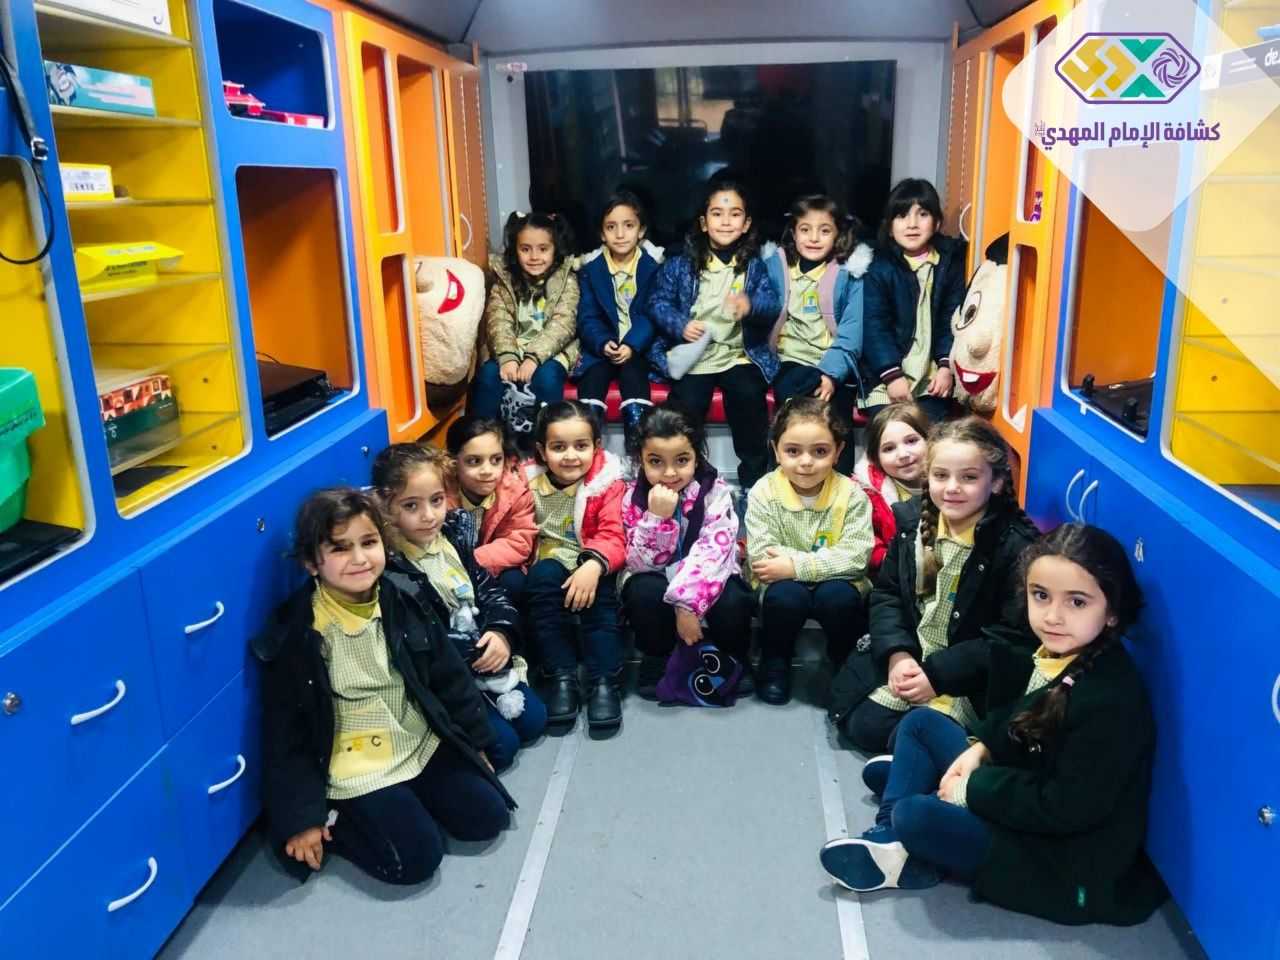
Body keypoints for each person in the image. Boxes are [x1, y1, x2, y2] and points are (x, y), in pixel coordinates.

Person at [820, 523, 1168, 928]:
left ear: (1112, 612)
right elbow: (1021, 714)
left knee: (914, 815)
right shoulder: (1058, 651)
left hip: (1061, 863)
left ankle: (902, 830)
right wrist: (980, 750)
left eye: (1077, 602)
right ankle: (895, 832)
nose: (1053, 616)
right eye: (1041, 595)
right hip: (1024, 792)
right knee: (921, 722)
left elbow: (1064, 809)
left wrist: (971, 789)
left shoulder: (1110, 699)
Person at [254, 487, 513, 885]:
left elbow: (449, 676)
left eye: (369, 542)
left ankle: (408, 803)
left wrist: (474, 741)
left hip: (413, 737)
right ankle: (339, 821)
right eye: (340, 548)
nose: (359, 558)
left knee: (487, 817)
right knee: (416, 860)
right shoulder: (299, 634)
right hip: (354, 762)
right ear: (310, 563)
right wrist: (301, 818)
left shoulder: (402, 596)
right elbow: (286, 734)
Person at [831, 415, 1040, 753]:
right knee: (864, 724)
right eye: (941, 476)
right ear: (928, 476)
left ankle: (924, 753)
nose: (952, 488)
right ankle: (923, 750)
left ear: (997, 482)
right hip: (915, 657)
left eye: (969, 477)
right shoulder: (911, 522)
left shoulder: (1016, 547)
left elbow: (1009, 639)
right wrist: (898, 655)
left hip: (966, 678)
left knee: (927, 731)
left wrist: (939, 676)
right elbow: (887, 595)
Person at [373, 443, 547, 772]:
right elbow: (426, 644)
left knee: (535, 720)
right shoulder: (393, 566)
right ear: (385, 506)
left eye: (436, 500)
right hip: (450, 677)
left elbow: (488, 590)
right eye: (411, 505)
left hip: (483, 658)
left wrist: (501, 632)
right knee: (503, 749)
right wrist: (474, 651)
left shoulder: (453, 536)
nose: (429, 516)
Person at [646, 171, 781, 491]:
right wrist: (681, 324)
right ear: (704, 222)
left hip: (738, 355)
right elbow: (657, 302)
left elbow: (771, 303)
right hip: (697, 356)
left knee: (748, 398)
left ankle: (754, 482)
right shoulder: (681, 263)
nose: (725, 221)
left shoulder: (754, 265)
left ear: (746, 224)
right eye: (717, 214)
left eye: (735, 214)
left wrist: (750, 305)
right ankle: (691, 480)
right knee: (686, 408)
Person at [620, 404, 754, 700]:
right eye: (656, 461)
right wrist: (657, 519)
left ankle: (733, 655)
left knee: (733, 596)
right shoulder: (633, 497)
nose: (669, 473)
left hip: (706, 580)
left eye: (682, 460)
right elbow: (638, 563)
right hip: (659, 577)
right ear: (640, 459)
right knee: (642, 590)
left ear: (697, 457)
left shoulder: (716, 492)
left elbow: (715, 552)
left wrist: (686, 604)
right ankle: (657, 656)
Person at [745, 397, 874, 705]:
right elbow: (762, 557)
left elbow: (856, 556)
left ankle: (844, 659)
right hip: (782, 585)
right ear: (776, 450)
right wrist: (810, 567)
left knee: (839, 598)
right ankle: (776, 658)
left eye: (820, 451)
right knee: (785, 596)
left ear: (838, 452)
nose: (806, 462)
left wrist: (796, 567)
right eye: (793, 451)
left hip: (836, 583)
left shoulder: (852, 494)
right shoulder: (763, 491)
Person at [523, 400, 627, 730]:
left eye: (581, 446)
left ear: (596, 447)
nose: (570, 456)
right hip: (548, 560)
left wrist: (594, 565)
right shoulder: (526, 484)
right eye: (558, 447)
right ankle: (562, 676)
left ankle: (603, 681)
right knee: (542, 582)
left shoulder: (607, 484)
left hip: (594, 559)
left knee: (601, 599)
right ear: (541, 451)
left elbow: (614, 534)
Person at [763, 193, 874, 474]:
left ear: (838, 235)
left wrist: (831, 375)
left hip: (832, 361)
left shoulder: (849, 274)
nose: (814, 238)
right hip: (789, 360)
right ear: (793, 233)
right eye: (805, 230)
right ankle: (779, 478)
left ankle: (841, 484)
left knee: (836, 415)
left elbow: (851, 334)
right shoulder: (777, 266)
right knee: (791, 411)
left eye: (824, 231)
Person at [860, 178, 967, 425]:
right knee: (889, 432)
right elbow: (874, 326)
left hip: (932, 377)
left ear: (937, 222)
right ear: (890, 227)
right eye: (902, 215)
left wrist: (945, 366)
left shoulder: (948, 264)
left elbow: (952, 318)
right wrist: (892, 375)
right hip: (885, 376)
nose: (912, 224)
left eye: (923, 214)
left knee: (929, 436)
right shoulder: (879, 267)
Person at [471, 211, 579, 438]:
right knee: (488, 376)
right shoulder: (504, 280)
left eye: (543, 249)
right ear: (515, 250)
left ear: (555, 249)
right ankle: (481, 441)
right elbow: (498, 320)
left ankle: (544, 442)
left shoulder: (566, 279)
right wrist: (508, 356)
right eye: (525, 249)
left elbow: (563, 324)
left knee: (547, 379)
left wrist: (533, 358)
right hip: (511, 348)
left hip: (552, 352)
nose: (534, 257)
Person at [573, 189, 663, 447]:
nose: (620, 234)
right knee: (592, 381)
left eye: (628, 226)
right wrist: (603, 343)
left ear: (641, 230)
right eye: (611, 227)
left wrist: (632, 345)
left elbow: (652, 313)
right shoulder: (591, 271)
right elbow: (587, 316)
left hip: (638, 349)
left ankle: (637, 450)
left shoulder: (653, 268)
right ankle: (587, 449)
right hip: (602, 349)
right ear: (602, 234)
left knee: (634, 378)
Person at [445, 415, 536, 599]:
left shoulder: (515, 492)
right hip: (449, 570)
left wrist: (472, 561)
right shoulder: (439, 495)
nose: (487, 471)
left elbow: (518, 542)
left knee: (514, 581)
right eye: (474, 461)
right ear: (453, 463)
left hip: (491, 565)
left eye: (496, 460)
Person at [852, 402, 930, 577]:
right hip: (894, 576)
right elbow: (863, 539)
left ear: (930, 440)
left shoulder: (950, 484)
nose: (903, 455)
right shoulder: (867, 495)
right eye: (889, 449)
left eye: (911, 441)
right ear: (876, 458)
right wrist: (890, 559)